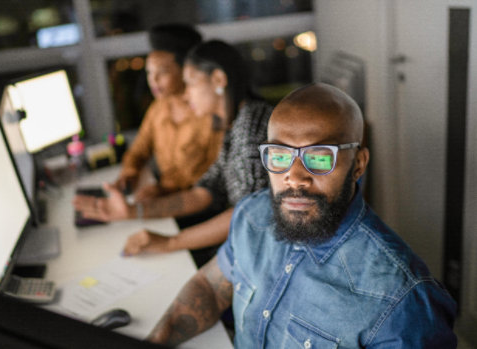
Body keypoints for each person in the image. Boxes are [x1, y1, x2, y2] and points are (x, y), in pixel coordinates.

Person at [144, 83, 458, 348]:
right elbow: (211, 288)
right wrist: (157, 338)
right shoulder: (251, 217)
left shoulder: (402, 299)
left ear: (358, 165)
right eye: (279, 156)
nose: (294, 177)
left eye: (320, 158)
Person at [73, 40, 273, 266]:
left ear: (218, 80)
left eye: (190, 84)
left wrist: (169, 242)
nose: (186, 96)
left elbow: (248, 216)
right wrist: (132, 210)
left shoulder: (252, 126)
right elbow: (204, 193)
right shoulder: (232, 125)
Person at [114, 24, 224, 201]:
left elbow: (212, 185)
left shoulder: (209, 114)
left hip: (194, 206)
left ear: (186, 71)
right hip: (161, 197)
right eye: (149, 72)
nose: (153, 80)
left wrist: (162, 191)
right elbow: (138, 151)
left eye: (162, 72)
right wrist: (130, 173)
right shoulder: (158, 108)